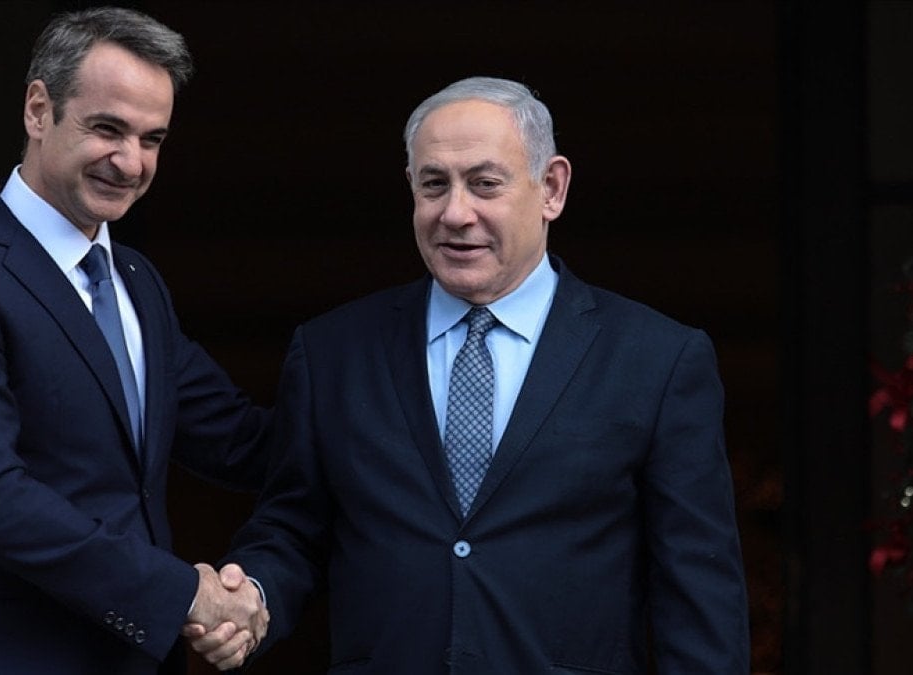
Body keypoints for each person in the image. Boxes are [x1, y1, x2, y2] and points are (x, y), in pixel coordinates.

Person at [188, 76, 749, 673]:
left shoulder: (656, 359)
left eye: (485, 184)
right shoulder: (333, 352)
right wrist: (253, 595)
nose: (455, 213)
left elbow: (699, 593)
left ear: (551, 188)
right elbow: (295, 525)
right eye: (434, 184)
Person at [0, 7, 268, 674]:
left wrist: (388, 400)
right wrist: (182, 593)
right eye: (107, 129)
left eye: (151, 139)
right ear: (38, 110)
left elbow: (236, 439)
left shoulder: (136, 281)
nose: (130, 161)